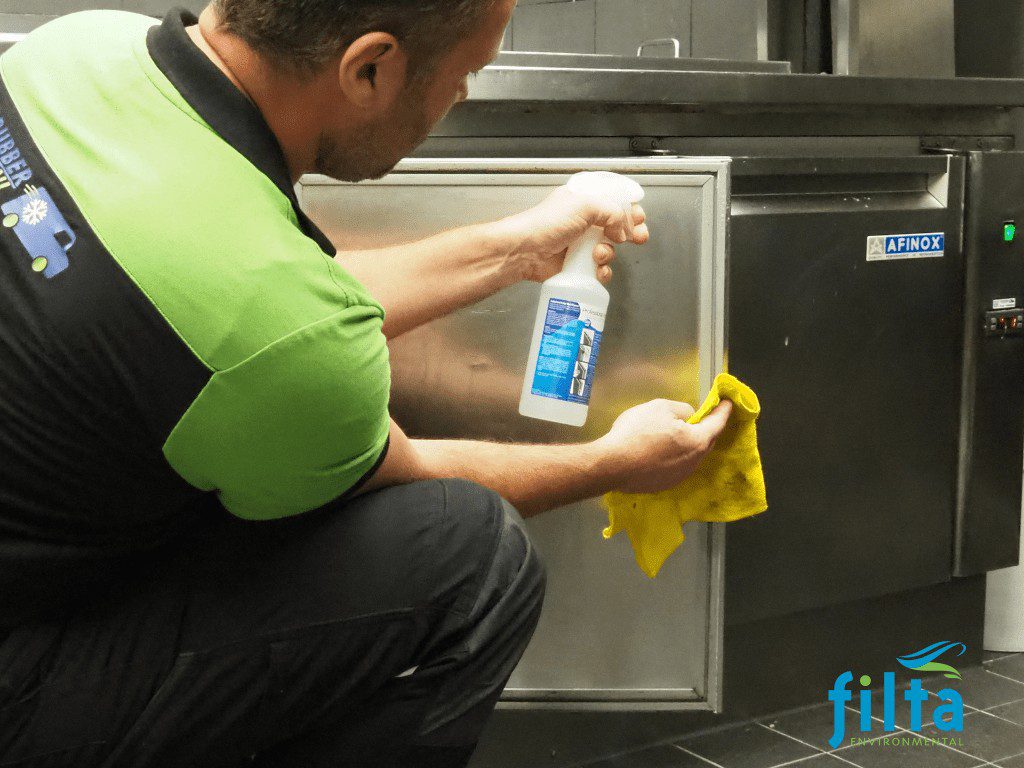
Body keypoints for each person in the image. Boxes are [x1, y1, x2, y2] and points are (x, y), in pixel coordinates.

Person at [0, 1, 733, 766]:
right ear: (370, 68)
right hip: (22, 678)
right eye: (464, 74)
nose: (465, 96)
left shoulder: (76, 51)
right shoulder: (267, 331)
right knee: (475, 559)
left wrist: (520, 249)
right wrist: (617, 462)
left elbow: (263, 310)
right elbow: (290, 353)